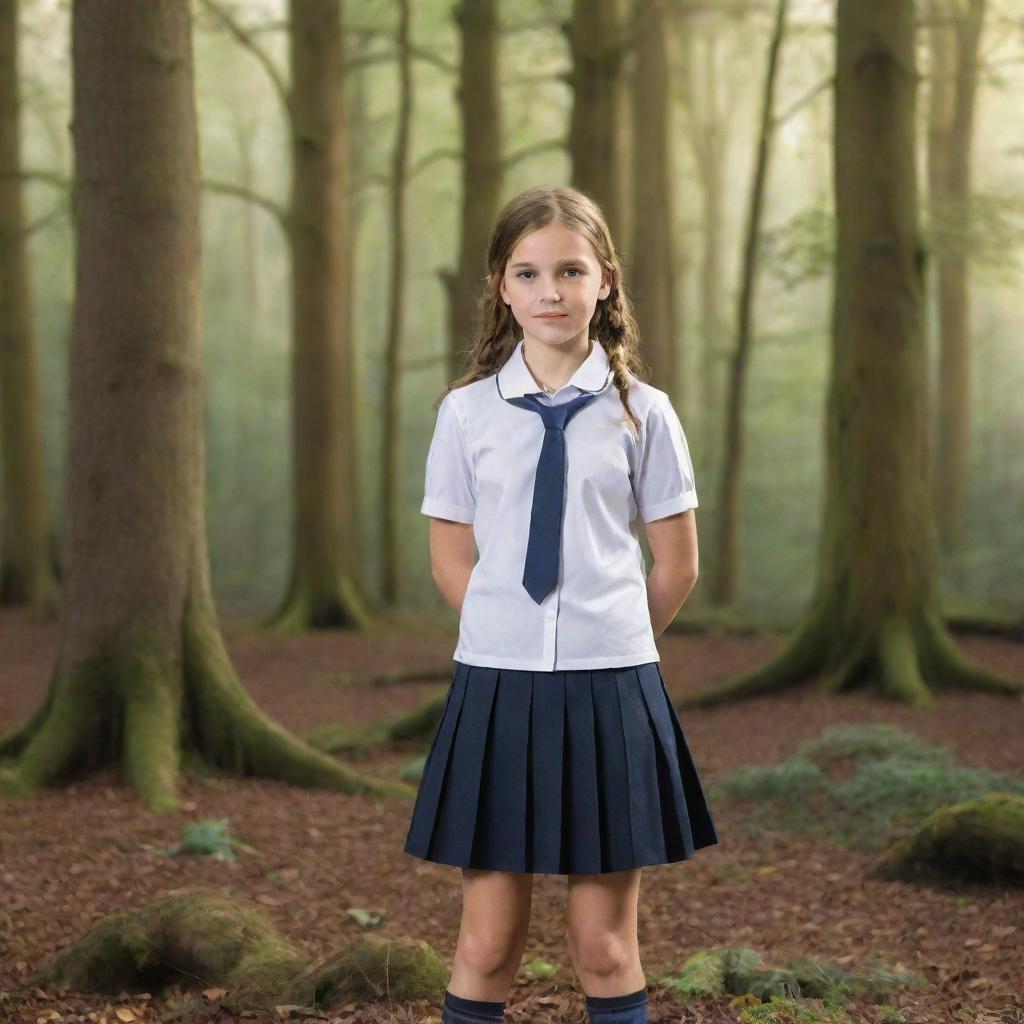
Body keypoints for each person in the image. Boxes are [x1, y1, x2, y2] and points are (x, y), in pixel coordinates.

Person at [404, 185, 719, 1024]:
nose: (551, 291)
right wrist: (514, 632)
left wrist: (604, 639)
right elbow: (449, 557)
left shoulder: (643, 413)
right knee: (484, 946)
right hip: (497, 688)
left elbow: (677, 564)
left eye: (570, 271)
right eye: (529, 273)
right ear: (502, 289)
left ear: (605, 282)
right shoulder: (466, 414)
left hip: (613, 688)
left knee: (606, 949)